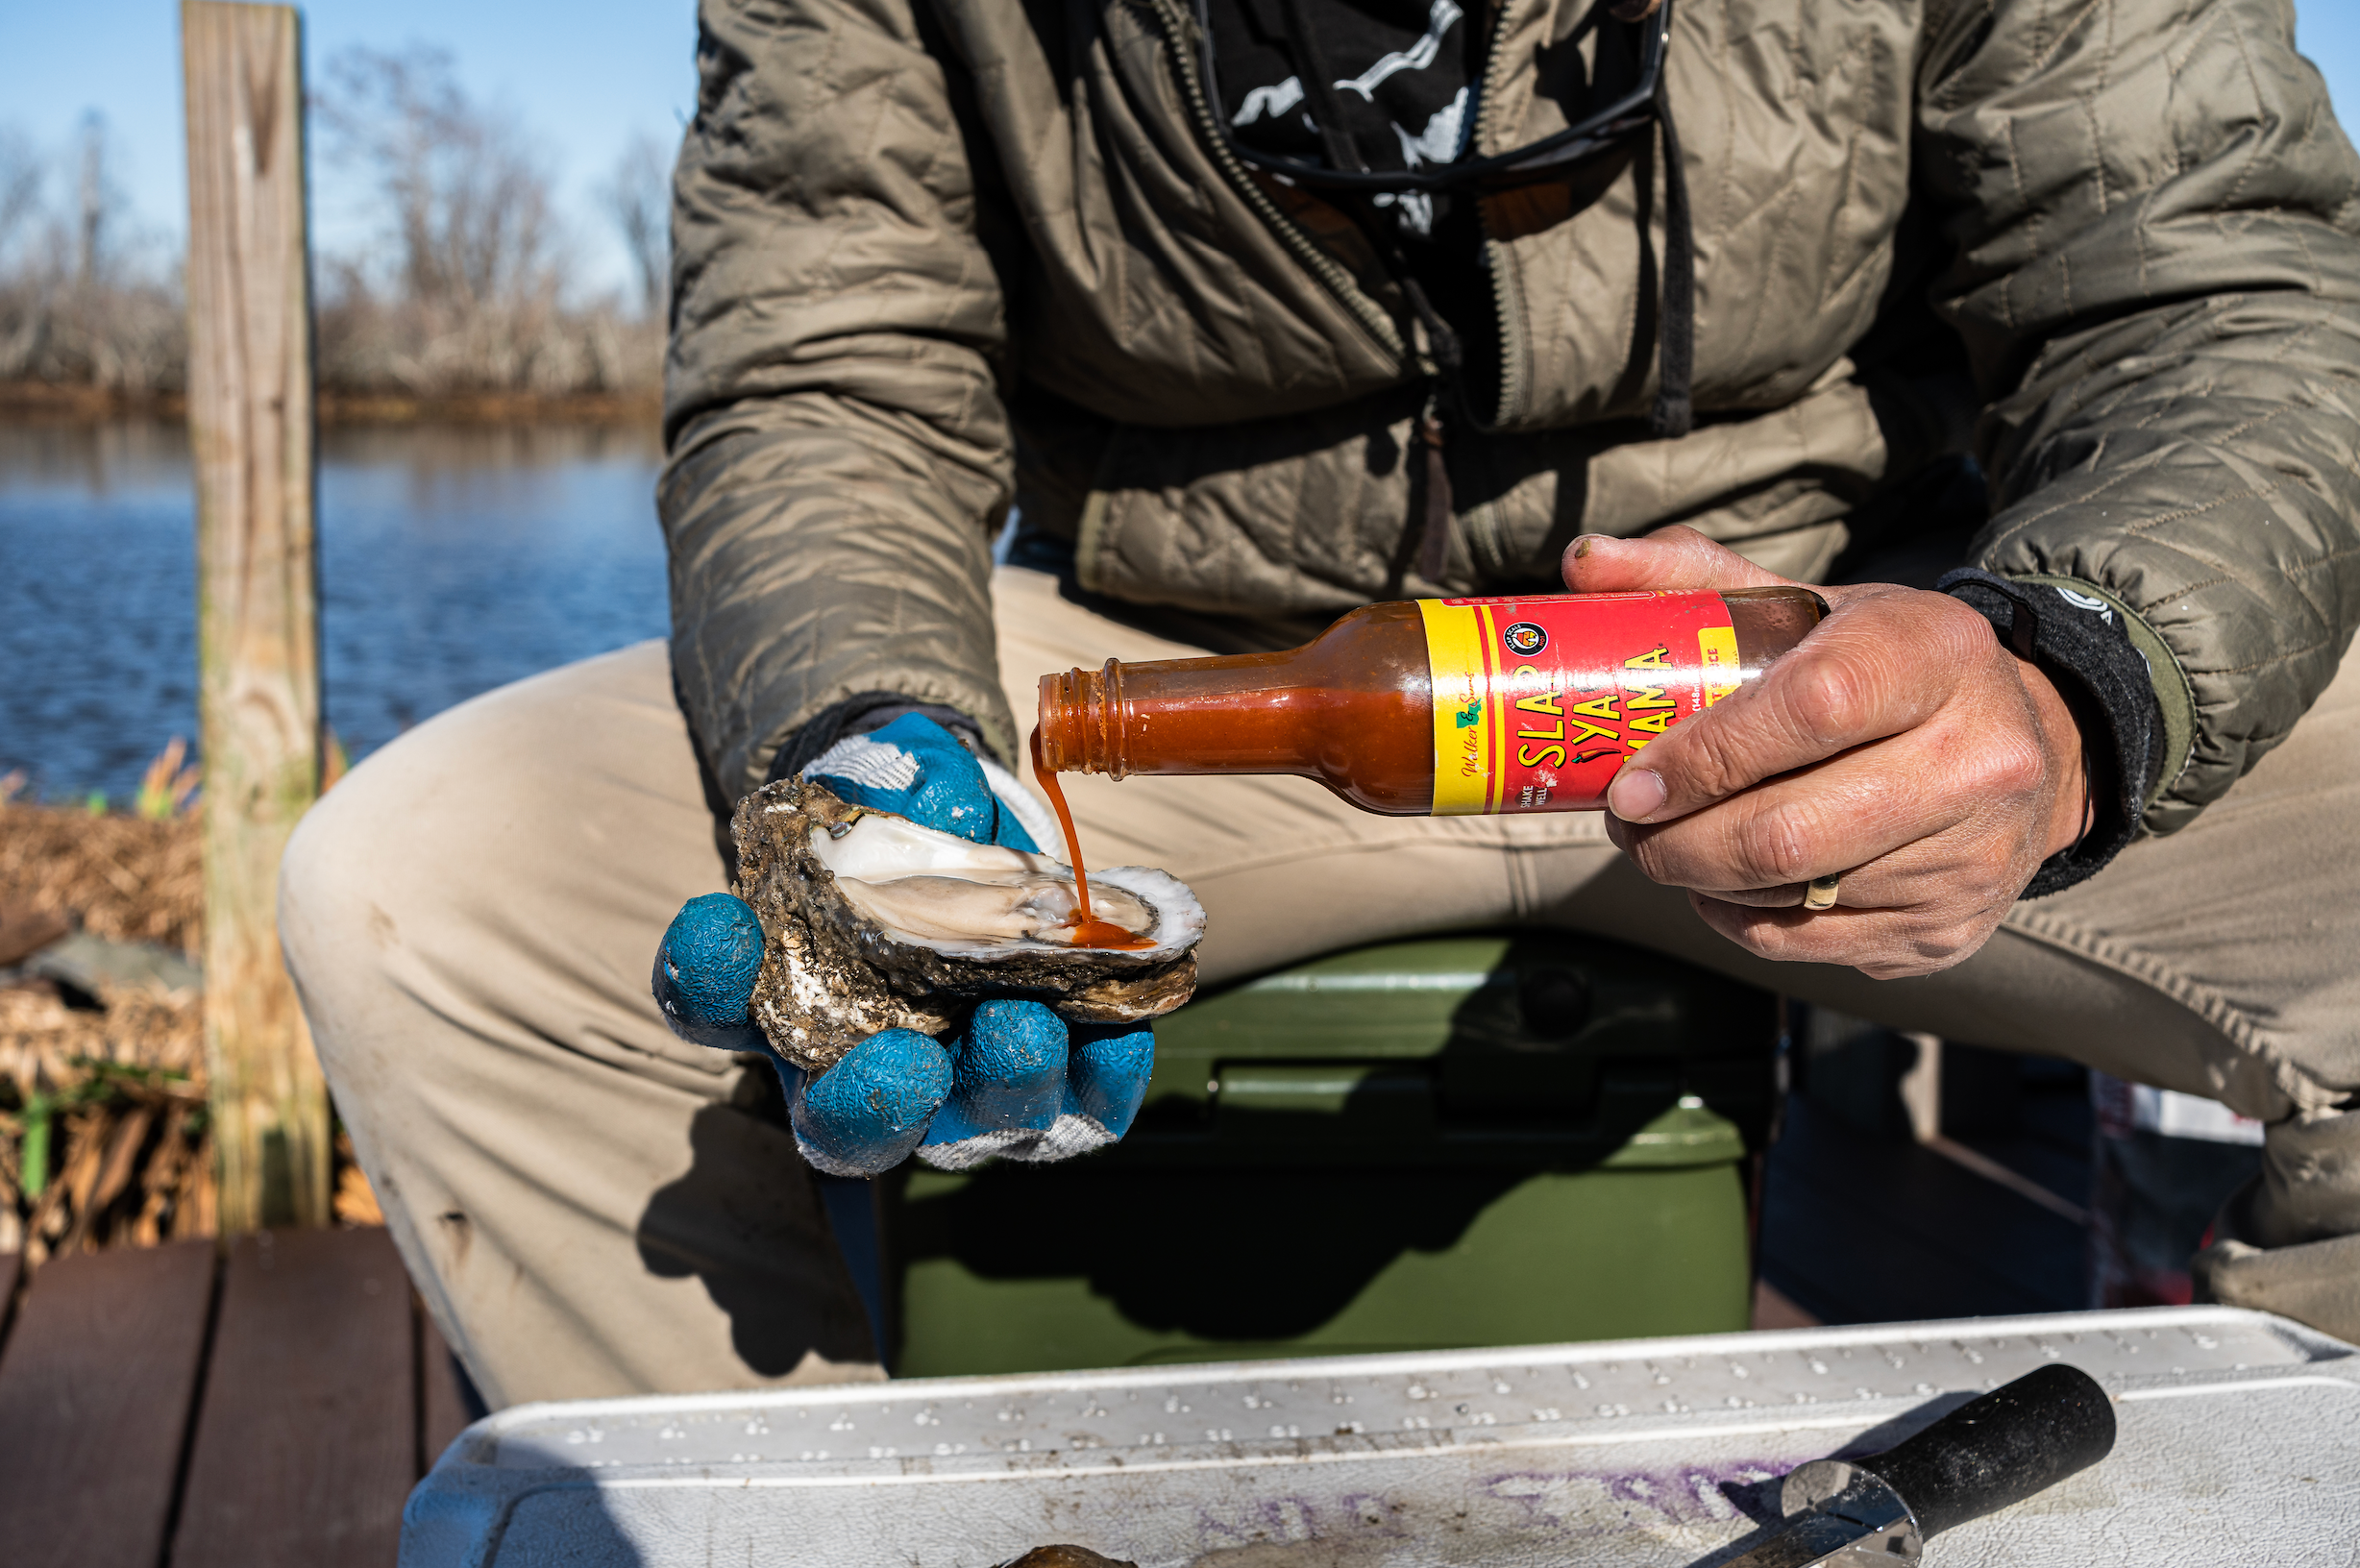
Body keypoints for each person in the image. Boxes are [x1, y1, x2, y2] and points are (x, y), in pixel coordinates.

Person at [282, 0, 2360, 1408]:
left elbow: (2219, 298)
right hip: (1180, 652)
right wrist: (859, 738)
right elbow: (824, 376)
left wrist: (2075, 671)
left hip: (1811, 645)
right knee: (432, 899)